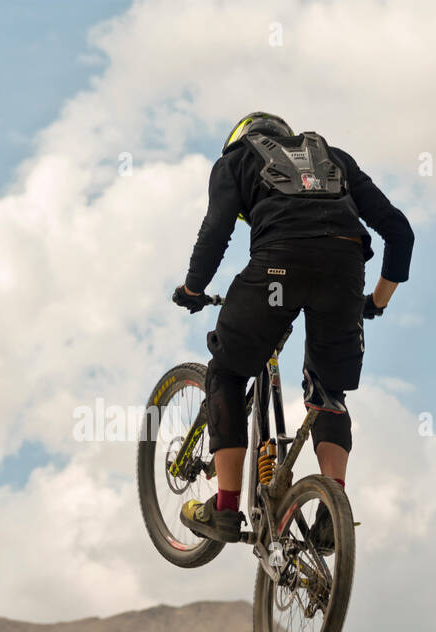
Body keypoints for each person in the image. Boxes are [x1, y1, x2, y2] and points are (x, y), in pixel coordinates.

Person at [173, 111, 414, 546]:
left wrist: (193, 288)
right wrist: (375, 302)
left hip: (277, 269)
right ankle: (331, 512)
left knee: (227, 371)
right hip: (345, 272)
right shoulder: (333, 158)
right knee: (327, 390)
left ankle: (226, 508)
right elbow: (400, 231)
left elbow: (216, 231)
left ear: (240, 138)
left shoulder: (234, 161)